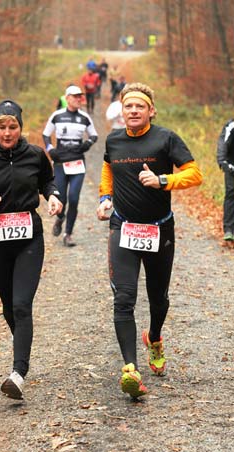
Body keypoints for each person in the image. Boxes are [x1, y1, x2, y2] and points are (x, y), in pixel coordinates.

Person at [97, 82, 202, 399]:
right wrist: (105, 197)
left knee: (159, 298)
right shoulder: (114, 140)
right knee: (124, 298)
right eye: (128, 106)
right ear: (122, 110)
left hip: (159, 230)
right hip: (123, 229)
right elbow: (107, 169)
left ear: (150, 111)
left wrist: (163, 180)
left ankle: (154, 338)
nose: (133, 111)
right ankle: (131, 370)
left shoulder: (165, 138)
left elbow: (195, 173)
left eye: (139, 106)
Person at [0, 100, 62, 400]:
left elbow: (47, 180)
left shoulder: (34, 154)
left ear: (21, 128)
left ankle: (18, 373)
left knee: (21, 304)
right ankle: (23, 346)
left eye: (13, 127)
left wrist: (53, 196)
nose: (7, 132)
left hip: (29, 236)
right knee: (8, 306)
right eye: (2, 127)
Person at [42, 85, 98, 246]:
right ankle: (60, 218)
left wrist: (86, 145)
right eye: (75, 96)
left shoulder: (85, 117)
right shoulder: (57, 115)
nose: (78, 99)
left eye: (80, 96)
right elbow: (46, 134)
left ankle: (68, 234)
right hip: (60, 162)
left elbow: (94, 135)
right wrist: (50, 149)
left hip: (78, 162)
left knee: (73, 198)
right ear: (67, 98)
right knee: (62, 199)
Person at [217, 118, 234, 241]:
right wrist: (222, 161)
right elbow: (223, 143)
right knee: (231, 194)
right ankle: (229, 229)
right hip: (231, 166)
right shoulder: (231, 125)